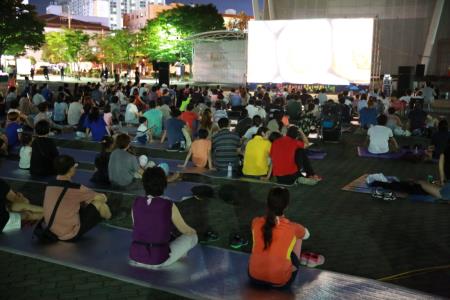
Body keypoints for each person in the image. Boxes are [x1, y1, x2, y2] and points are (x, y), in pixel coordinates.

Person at [129, 167, 198, 269]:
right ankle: (178, 255)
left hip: (136, 257)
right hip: (158, 259)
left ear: (144, 185)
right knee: (193, 237)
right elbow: (185, 230)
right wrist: (195, 231)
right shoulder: (168, 204)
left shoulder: (136, 202)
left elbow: (137, 226)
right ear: (164, 185)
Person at [248, 187, 311, 288]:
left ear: (267, 203)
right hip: (280, 281)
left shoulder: (255, 221)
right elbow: (307, 235)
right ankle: (297, 262)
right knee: (299, 237)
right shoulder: (294, 227)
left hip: (254, 277)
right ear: (286, 206)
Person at [43, 155, 111, 241]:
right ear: (71, 169)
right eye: (75, 166)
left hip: (51, 229)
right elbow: (102, 198)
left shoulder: (49, 184)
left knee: (84, 203)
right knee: (100, 204)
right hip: (68, 234)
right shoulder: (75, 188)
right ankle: (110, 221)